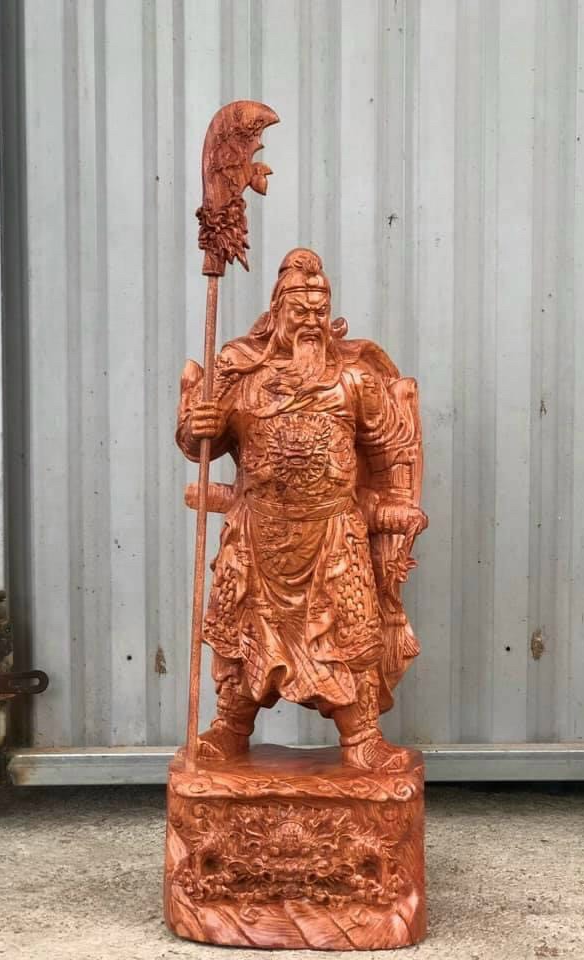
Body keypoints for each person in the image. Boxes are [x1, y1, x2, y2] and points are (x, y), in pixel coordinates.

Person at [177, 248, 426, 772]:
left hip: (334, 534)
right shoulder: (242, 372)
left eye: (320, 309)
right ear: (277, 312)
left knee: (351, 635)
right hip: (257, 534)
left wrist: (399, 510)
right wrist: (197, 425)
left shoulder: (354, 379)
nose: (311, 320)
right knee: (242, 632)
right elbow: (199, 444)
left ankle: (361, 737)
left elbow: (392, 448)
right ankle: (230, 728)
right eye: (300, 309)